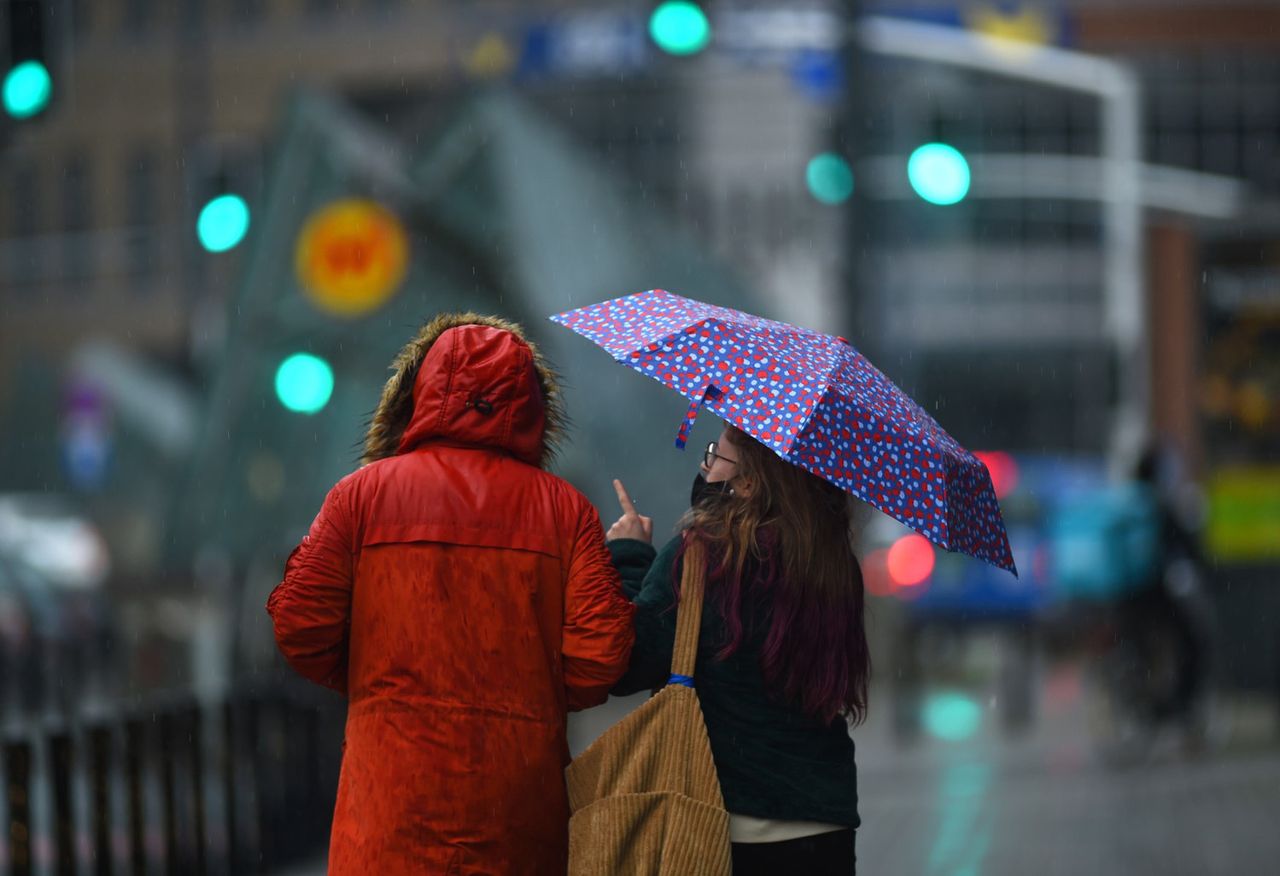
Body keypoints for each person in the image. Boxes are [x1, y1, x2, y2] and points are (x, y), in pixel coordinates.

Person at [267, 313, 636, 875]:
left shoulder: (360, 498)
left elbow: (299, 626)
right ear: (531, 403)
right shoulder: (565, 512)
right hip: (516, 814)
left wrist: (376, 682)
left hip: (389, 807)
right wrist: (531, 692)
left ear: (421, 392)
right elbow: (598, 660)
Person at [605, 423, 868, 875]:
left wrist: (629, 556)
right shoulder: (834, 564)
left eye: (715, 456)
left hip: (720, 827)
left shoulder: (701, 556)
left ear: (747, 482)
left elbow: (628, 664)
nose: (704, 467)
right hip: (823, 827)